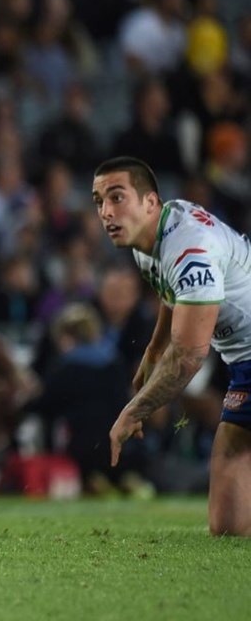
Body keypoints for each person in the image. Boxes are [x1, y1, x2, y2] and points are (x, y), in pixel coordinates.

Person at [96, 156, 251, 535]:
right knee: (228, 526)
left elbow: (189, 356)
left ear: (150, 201)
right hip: (243, 364)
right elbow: (173, 295)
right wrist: (153, 350)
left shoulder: (189, 249)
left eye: (117, 197)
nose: (106, 212)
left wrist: (134, 411)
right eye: (99, 201)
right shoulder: (152, 239)